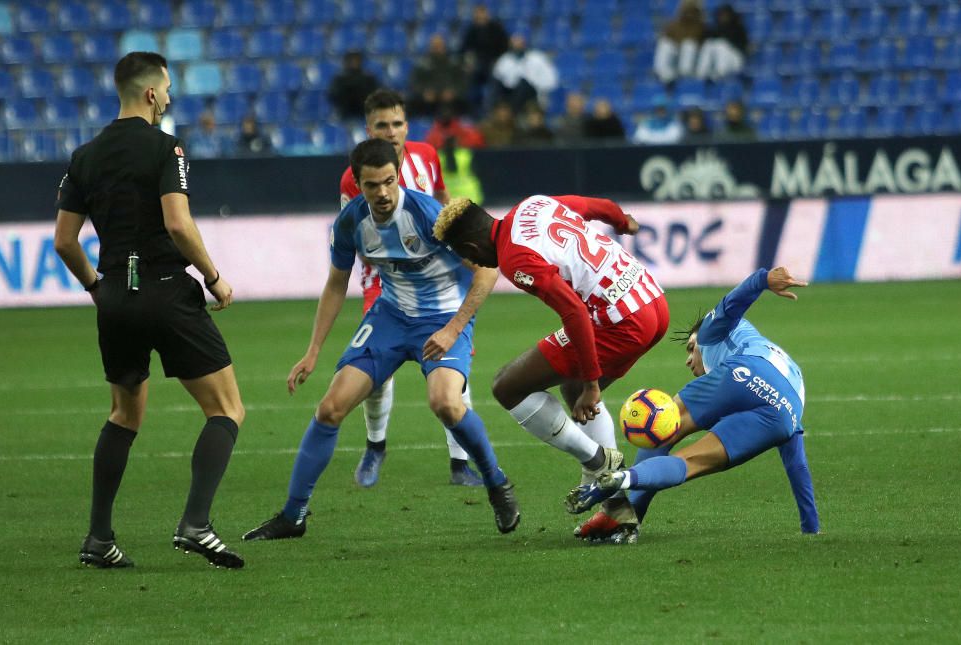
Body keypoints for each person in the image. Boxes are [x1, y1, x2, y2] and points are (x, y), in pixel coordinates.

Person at [242, 139, 520, 541]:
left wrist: (453, 328)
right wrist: (313, 350)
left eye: (389, 181)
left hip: (442, 318)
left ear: (399, 171)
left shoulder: (430, 215)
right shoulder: (352, 222)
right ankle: (293, 515)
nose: (383, 193)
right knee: (330, 408)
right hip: (390, 317)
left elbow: (487, 270)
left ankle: (497, 484)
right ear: (357, 183)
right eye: (372, 185)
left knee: (445, 403)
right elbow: (336, 284)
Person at [53, 52, 245, 569]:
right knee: (226, 409)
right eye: (168, 89)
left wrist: (98, 286)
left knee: (124, 413)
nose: (169, 97)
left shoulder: (84, 155)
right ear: (152, 93)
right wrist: (213, 276)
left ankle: (98, 539)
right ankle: (196, 524)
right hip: (164, 289)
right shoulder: (167, 148)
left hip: (115, 295)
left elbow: (65, 241)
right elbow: (178, 224)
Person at [433, 195, 669, 529]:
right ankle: (617, 506)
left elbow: (573, 311)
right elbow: (595, 205)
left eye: (468, 256)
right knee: (572, 388)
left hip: (621, 321)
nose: (478, 264)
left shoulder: (516, 260)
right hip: (652, 299)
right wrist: (620, 221)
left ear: (472, 245)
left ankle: (598, 462)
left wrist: (592, 383)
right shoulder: (533, 205)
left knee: (508, 387)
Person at [566, 267, 819, 544]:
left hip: (744, 372)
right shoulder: (781, 368)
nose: (689, 360)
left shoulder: (712, 334)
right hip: (785, 412)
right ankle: (625, 480)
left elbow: (730, 305)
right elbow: (798, 465)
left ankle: (625, 512)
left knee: (662, 428)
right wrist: (811, 527)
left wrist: (762, 280)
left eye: (690, 347)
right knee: (688, 464)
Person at [339, 89, 485, 488]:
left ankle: (460, 464)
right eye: (381, 125)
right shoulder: (356, 179)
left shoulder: (426, 155)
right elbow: (357, 233)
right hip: (385, 280)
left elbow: (442, 200)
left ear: (407, 125)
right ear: (369, 129)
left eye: (397, 123)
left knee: (454, 363)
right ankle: (375, 446)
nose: (391, 132)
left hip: (442, 276)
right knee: (376, 371)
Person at [459, 3, 509, 114]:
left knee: (494, 79)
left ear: (487, 14)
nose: (480, 16)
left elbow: (504, 47)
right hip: (477, 63)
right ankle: (470, 111)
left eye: (482, 13)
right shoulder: (471, 30)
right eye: (477, 14)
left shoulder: (496, 28)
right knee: (467, 78)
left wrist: (498, 60)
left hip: (493, 62)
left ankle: (489, 110)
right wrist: (468, 60)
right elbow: (464, 49)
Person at [491, 33, 559, 113]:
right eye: (515, 40)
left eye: (520, 40)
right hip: (510, 94)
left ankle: (512, 112)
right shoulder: (504, 60)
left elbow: (552, 80)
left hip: (535, 94)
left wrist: (536, 85)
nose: (517, 44)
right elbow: (497, 80)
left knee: (523, 84)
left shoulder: (537, 57)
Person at [408, 34, 468, 118]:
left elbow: (462, 81)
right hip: (428, 99)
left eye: (439, 46)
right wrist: (424, 92)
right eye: (434, 46)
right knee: (411, 104)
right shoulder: (423, 64)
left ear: (444, 47)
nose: (437, 49)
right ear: (430, 47)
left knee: (463, 104)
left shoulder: (454, 63)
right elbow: (415, 81)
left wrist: (454, 91)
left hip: (449, 99)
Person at [654, 0, 706, 84]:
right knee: (665, 44)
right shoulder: (674, 24)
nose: (689, 14)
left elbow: (699, 41)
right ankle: (662, 73)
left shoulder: (701, 25)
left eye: (691, 11)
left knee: (689, 44)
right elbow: (666, 36)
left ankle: (684, 75)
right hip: (677, 51)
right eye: (686, 11)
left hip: (695, 55)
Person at [695, 3, 749, 81]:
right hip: (719, 59)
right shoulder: (716, 28)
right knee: (709, 43)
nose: (723, 17)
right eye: (721, 15)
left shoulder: (738, 27)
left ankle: (720, 73)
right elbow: (705, 37)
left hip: (736, 60)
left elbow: (744, 46)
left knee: (721, 45)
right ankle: (700, 74)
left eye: (725, 14)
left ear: (731, 15)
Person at [328, 50, 380, 121]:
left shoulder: (368, 78)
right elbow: (333, 96)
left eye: (356, 60)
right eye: (351, 60)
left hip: (363, 112)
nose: (354, 63)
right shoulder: (340, 79)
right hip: (344, 113)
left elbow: (375, 95)